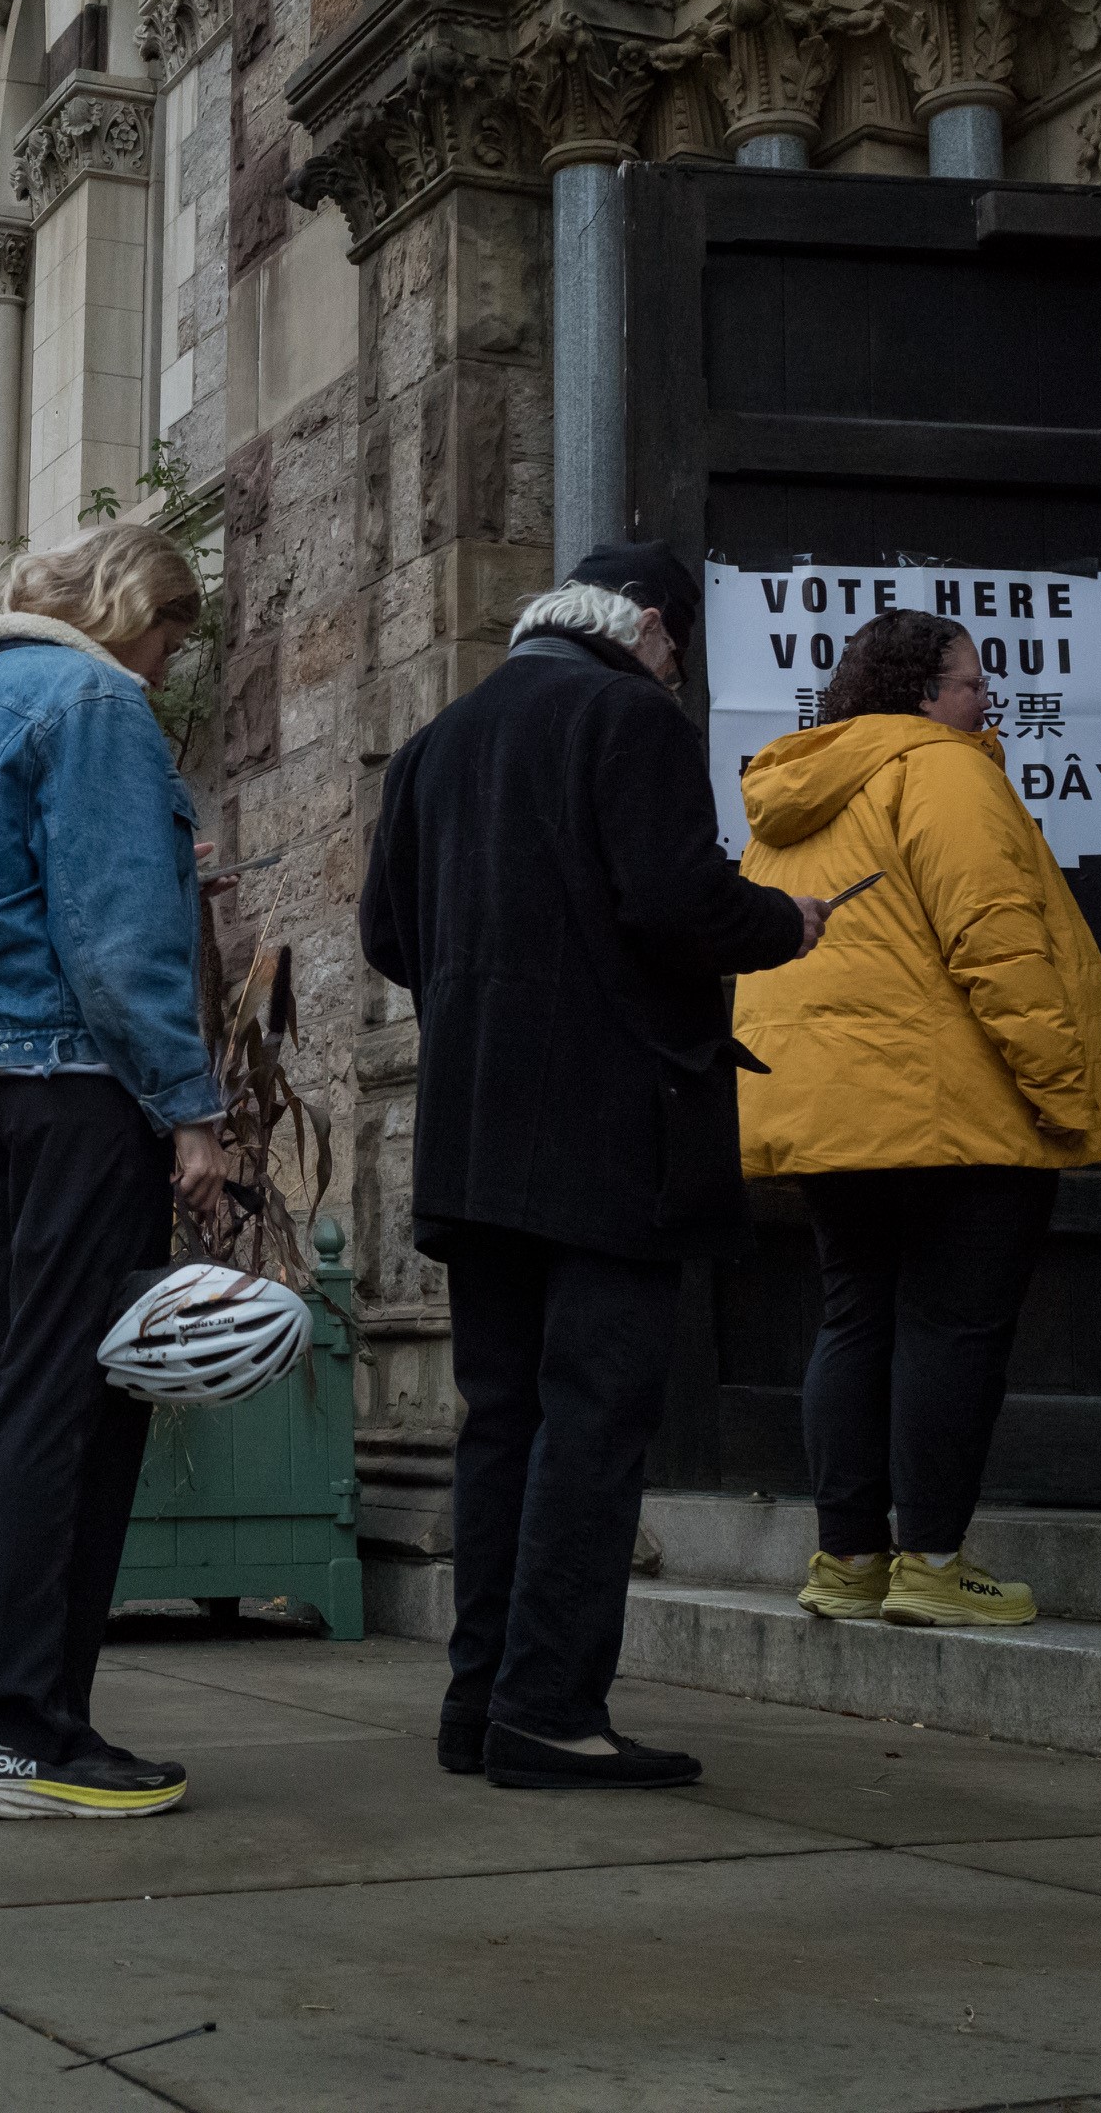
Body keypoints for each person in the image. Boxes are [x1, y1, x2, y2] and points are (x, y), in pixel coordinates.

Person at [361, 542, 826, 1792]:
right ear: (651, 629)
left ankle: (481, 1705)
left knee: (501, 1419)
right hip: (612, 1127)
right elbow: (677, 901)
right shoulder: (628, 716)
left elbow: (384, 934)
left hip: (473, 1130)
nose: (678, 668)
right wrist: (787, 920)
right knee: (593, 1422)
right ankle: (553, 1709)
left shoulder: (438, 740)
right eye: (679, 645)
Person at [0, 521, 226, 1821]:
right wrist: (190, 1112)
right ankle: (32, 1736)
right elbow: (119, 934)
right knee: (70, 1399)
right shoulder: (99, 702)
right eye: (169, 635)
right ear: (132, 611)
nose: (165, 665)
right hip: (82, 1087)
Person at [733, 612, 1101, 1630]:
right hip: (951, 1108)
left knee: (853, 1316)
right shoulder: (946, 772)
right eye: (969, 679)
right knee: (951, 1327)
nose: (984, 697)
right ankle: (928, 1560)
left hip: (836, 1109)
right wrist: (1060, 1092)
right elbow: (994, 945)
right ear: (922, 693)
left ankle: (845, 1559)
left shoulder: (795, 794)